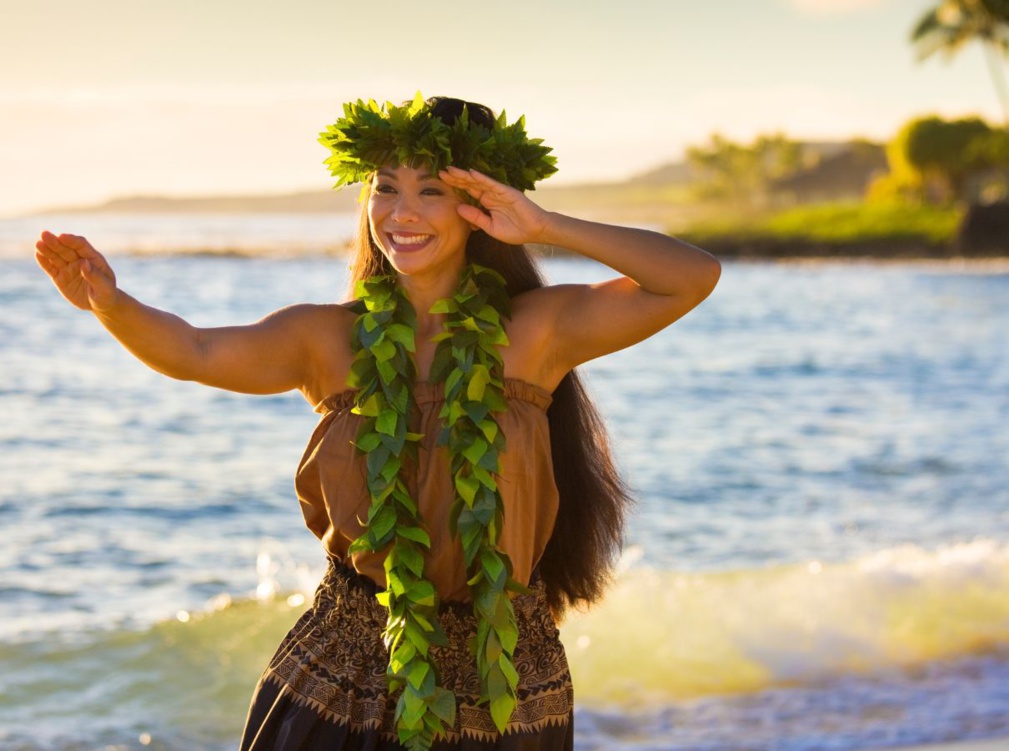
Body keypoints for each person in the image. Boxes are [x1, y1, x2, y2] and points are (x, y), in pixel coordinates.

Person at [34, 94, 720, 751]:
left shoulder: (535, 331)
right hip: (345, 662)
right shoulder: (324, 338)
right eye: (385, 188)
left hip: (502, 672)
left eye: (431, 191)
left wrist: (544, 225)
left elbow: (689, 276)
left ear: (480, 206)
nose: (401, 212)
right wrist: (109, 302)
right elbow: (194, 350)